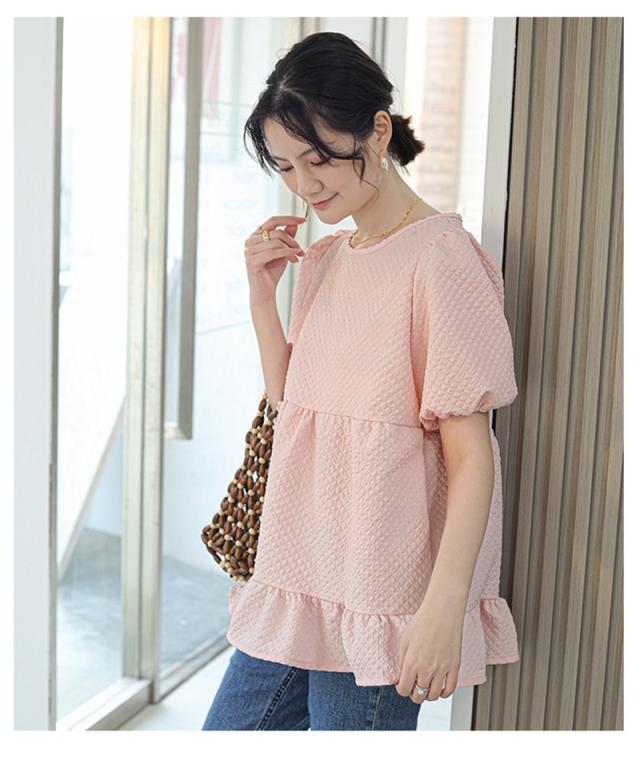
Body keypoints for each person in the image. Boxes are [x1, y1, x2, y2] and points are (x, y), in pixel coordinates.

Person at [202, 30, 519, 731]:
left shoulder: (442, 262)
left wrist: (441, 608)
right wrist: (261, 298)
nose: (304, 185)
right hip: (297, 575)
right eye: (286, 166)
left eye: (318, 159)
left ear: (377, 131)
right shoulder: (325, 260)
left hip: (378, 591)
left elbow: (471, 458)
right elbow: (293, 409)